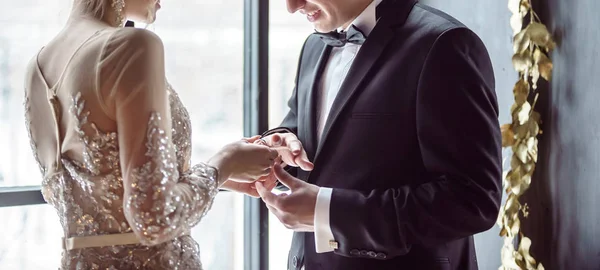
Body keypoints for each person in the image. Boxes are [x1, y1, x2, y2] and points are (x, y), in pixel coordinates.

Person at [23, 0, 282, 269]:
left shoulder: (37, 67)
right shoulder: (131, 46)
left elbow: (107, 184)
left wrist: (214, 177)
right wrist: (225, 163)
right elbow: (155, 220)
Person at [253, 0, 503, 269]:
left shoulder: (444, 44)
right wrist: (280, 147)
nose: (292, 6)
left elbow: (473, 201)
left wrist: (328, 212)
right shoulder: (314, 46)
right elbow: (310, 135)